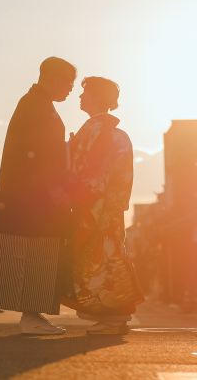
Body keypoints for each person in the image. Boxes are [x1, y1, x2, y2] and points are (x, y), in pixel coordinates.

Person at [0, 57, 76, 335]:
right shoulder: (35, 104)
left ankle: (33, 314)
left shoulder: (37, 103)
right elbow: (33, 151)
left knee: (38, 250)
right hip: (33, 198)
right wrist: (51, 185)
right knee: (34, 250)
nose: (71, 89)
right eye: (69, 82)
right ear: (51, 77)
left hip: (30, 195)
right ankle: (31, 316)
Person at [61, 77, 145, 335]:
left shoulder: (98, 131)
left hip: (94, 207)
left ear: (97, 97)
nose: (80, 97)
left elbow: (92, 174)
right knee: (109, 259)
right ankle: (116, 315)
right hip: (108, 207)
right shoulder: (114, 133)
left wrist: (75, 198)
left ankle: (114, 316)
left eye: (85, 93)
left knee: (102, 261)